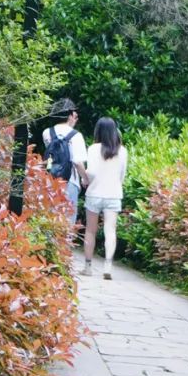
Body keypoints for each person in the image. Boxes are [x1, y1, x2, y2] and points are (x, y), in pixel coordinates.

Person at [82, 116, 127, 280]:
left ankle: (87, 266)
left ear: (98, 131)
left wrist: (85, 179)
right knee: (110, 230)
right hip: (113, 194)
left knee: (90, 231)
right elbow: (122, 175)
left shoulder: (93, 148)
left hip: (94, 193)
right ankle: (108, 266)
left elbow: (91, 171)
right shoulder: (122, 151)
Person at [41, 98, 87, 223]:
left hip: (51, 180)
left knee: (51, 220)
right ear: (71, 115)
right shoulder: (76, 135)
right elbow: (77, 162)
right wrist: (85, 179)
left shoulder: (47, 133)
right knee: (68, 222)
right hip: (70, 181)